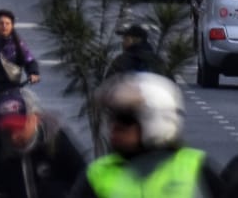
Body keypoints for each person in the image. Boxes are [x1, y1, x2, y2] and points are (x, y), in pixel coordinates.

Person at [71, 73, 223, 198]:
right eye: (112, 118)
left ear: (157, 121)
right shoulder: (97, 174)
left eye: (125, 118)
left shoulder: (196, 169)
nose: (114, 126)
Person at [0, 89, 85, 198]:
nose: (13, 136)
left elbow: (83, 177)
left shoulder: (55, 142)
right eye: (8, 130)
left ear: (35, 118)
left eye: (19, 127)